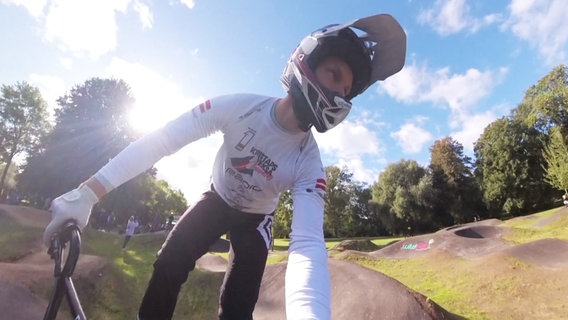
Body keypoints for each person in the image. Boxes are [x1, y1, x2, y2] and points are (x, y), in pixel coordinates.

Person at [43, 13, 406, 320]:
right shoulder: (239, 107)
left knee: (237, 307)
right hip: (216, 200)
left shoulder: (310, 164)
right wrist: (88, 192)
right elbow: (165, 139)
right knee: (168, 264)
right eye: (334, 74)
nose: (340, 93)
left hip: (256, 221)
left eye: (347, 88)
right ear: (307, 60)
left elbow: (308, 244)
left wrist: (310, 313)